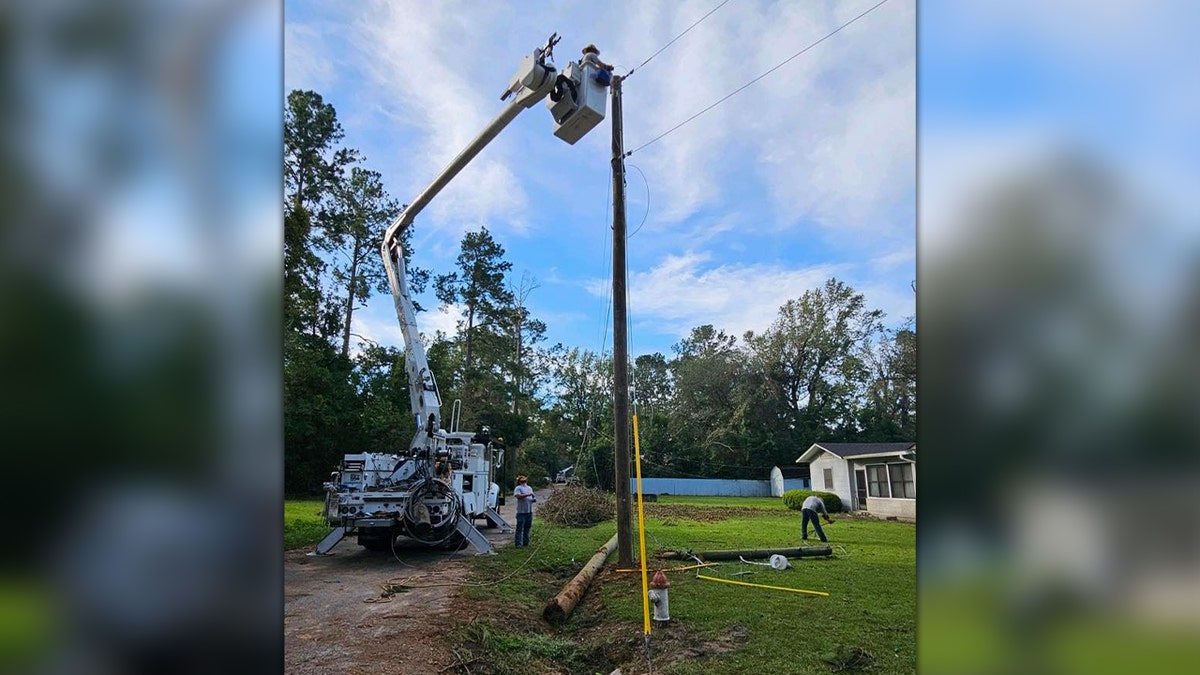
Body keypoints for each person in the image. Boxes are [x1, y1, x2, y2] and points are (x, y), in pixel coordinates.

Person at [513, 475, 536, 547]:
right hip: (521, 512)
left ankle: (526, 543)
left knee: (527, 528)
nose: (524, 481)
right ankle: (518, 543)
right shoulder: (518, 488)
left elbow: (532, 497)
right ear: (519, 481)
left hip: (529, 511)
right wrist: (528, 494)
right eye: (522, 480)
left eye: (525, 480)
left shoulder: (529, 488)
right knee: (519, 528)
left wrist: (533, 499)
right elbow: (518, 496)